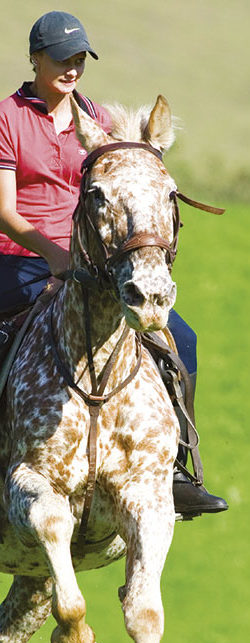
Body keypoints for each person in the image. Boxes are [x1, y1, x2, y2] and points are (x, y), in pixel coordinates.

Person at [0, 10, 228, 519]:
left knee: (180, 339)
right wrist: (54, 254)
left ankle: (175, 471)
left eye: (79, 58)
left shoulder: (99, 119)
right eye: (61, 58)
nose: (72, 68)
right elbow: (5, 209)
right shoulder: (7, 118)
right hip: (18, 258)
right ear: (34, 57)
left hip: (93, 260)